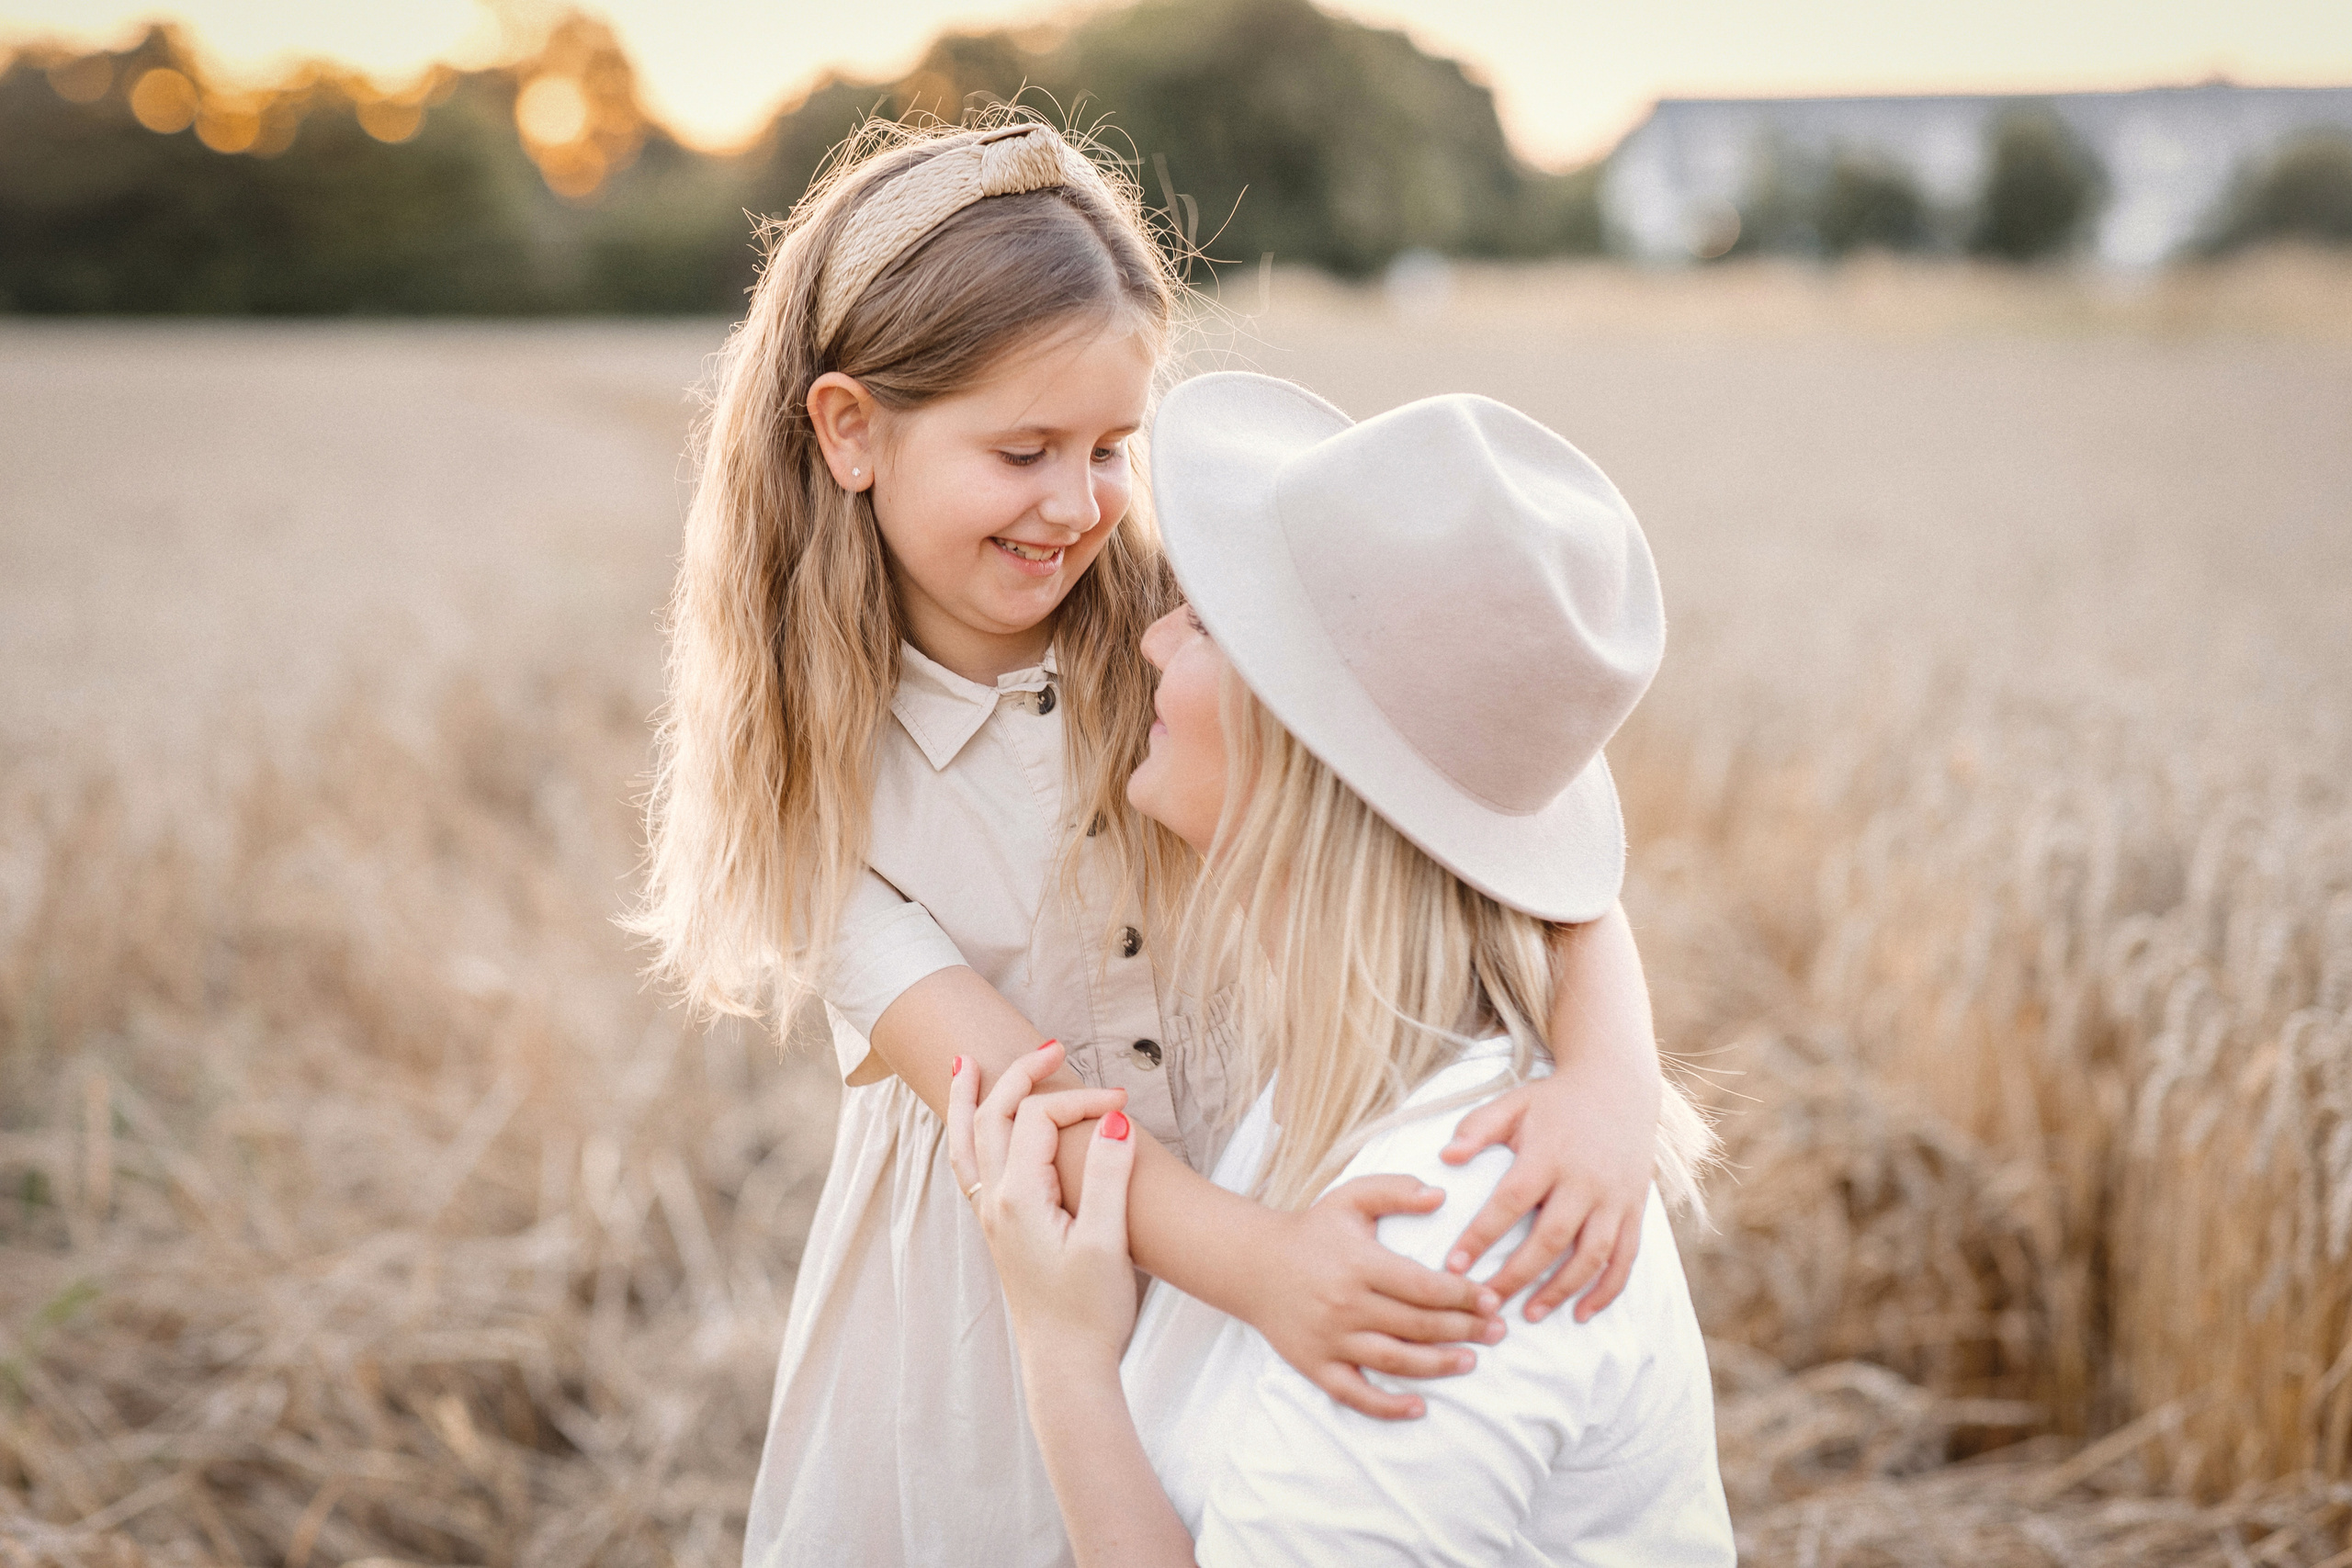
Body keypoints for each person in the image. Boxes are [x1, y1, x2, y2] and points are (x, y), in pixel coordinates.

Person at [632, 117, 1684, 1568]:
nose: (1075, 505)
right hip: (1027, 1282)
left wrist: (1614, 1086)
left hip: (1278, 1170)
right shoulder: (820, 782)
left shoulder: (1202, 618)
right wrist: (1263, 1271)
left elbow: (1502, 821)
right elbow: (1030, 1113)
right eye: (1021, 450)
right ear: (851, 429)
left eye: (1112, 448)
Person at [950, 373, 1735, 1565]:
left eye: (1206, 625)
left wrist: (1062, 1355)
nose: (1155, 636)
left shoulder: (1461, 1234)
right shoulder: (1352, 1081)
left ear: (1306, 754)